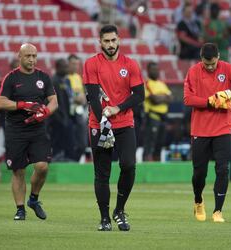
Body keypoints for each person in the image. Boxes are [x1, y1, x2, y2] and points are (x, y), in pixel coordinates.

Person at [83, 24, 144, 231]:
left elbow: (140, 95)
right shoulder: (91, 64)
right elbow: (92, 96)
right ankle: (104, 218)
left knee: (128, 165)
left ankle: (119, 210)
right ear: (100, 42)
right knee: (102, 173)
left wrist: (117, 108)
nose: (110, 44)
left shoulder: (131, 64)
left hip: (125, 123)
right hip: (98, 124)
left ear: (119, 40)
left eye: (113, 40)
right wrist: (104, 122)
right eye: (106, 41)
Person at [184, 43, 231, 223]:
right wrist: (212, 101)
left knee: (223, 169)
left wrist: (229, 92)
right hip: (200, 129)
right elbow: (188, 98)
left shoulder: (228, 68)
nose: (210, 67)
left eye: (213, 64)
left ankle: (218, 211)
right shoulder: (193, 71)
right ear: (201, 59)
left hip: (223, 128)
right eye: (207, 64)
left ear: (218, 57)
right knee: (199, 173)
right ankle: (198, 200)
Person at [0, 43, 58, 220]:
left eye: (34, 56)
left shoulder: (43, 77)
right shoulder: (11, 78)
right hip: (16, 130)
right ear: (20, 57)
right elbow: (0, 102)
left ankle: (33, 199)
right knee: (18, 170)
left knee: (42, 166)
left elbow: (54, 101)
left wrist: (45, 111)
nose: (32, 59)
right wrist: (21, 105)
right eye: (28, 56)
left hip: (38, 129)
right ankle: (20, 209)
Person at [143, 62, 173, 161]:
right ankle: (146, 165)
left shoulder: (162, 84)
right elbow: (154, 100)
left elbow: (171, 98)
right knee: (150, 143)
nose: (156, 71)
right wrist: (164, 97)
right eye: (153, 69)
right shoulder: (146, 83)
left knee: (160, 143)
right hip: (152, 116)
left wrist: (159, 97)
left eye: (157, 69)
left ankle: (157, 164)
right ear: (148, 71)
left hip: (164, 118)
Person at [68, 54, 88, 161]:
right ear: (68, 64)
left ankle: (75, 160)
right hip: (68, 114)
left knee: (82, 143)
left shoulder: (78, 77)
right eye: (73, 64)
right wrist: (75, 98)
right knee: (70, 142)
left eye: (77, 64)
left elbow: (83, 93)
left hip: (79, 112)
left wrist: (84, 98)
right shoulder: (65, 77)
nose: (75, 66)